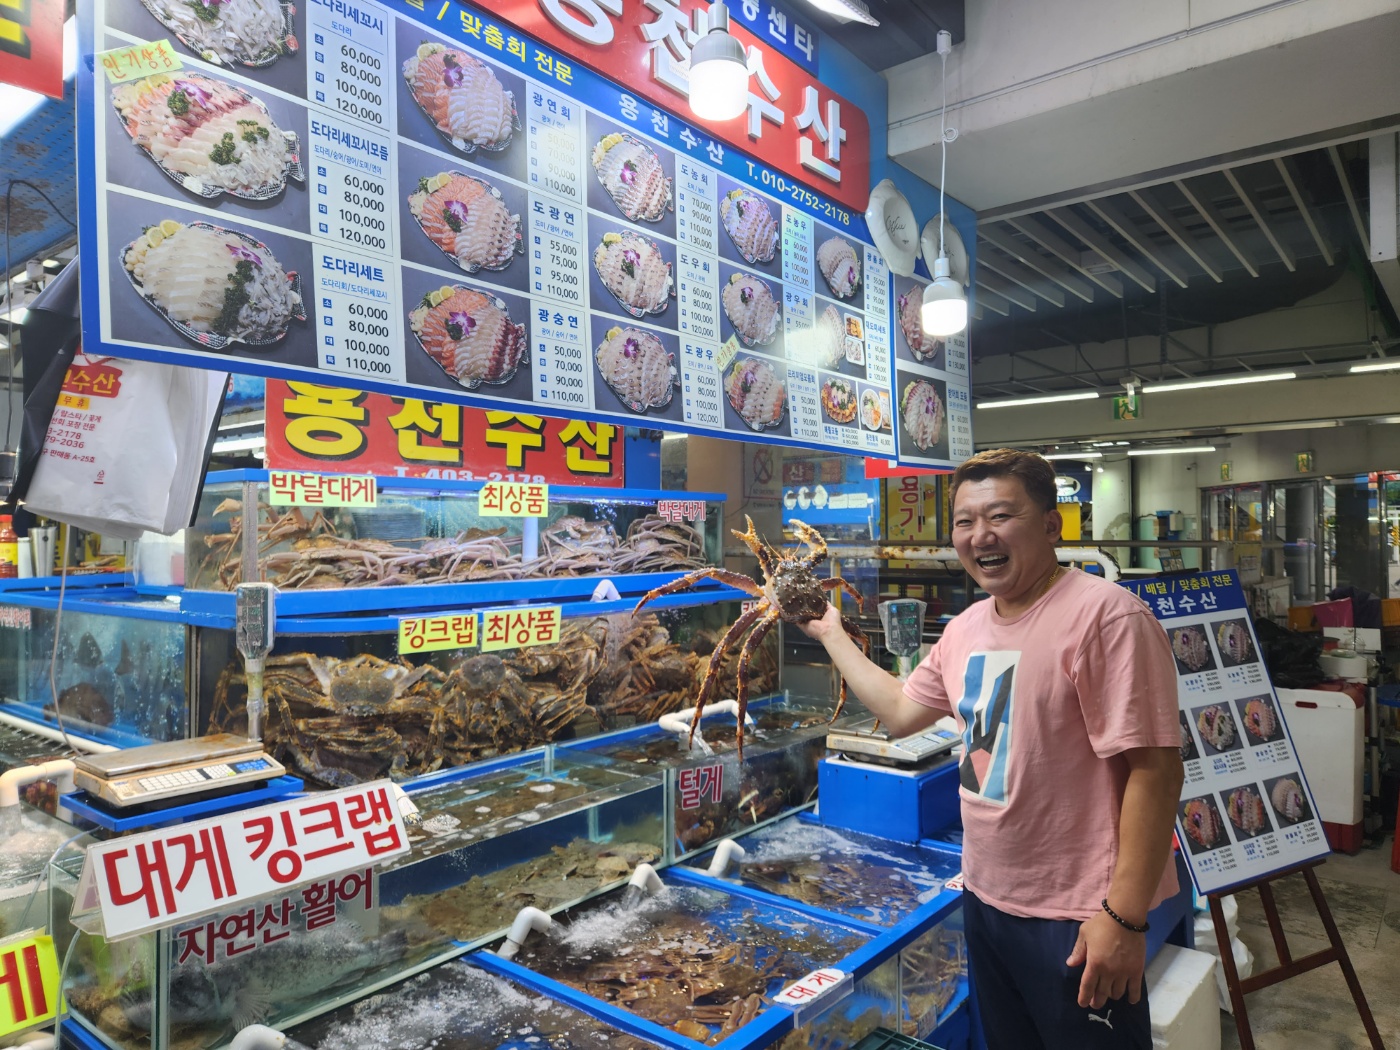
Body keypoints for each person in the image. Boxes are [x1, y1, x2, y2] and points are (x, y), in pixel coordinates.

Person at [801, 448, 1184, 1049]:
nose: (981, 535)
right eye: (964, 521)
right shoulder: (965, 628)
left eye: (1001, 515)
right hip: (986, 895)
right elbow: (902, 712)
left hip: (1078, 914)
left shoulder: (1107, 618)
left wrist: (1123, 916)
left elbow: (1156, 772)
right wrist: (830, 632)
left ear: (1052, 526)